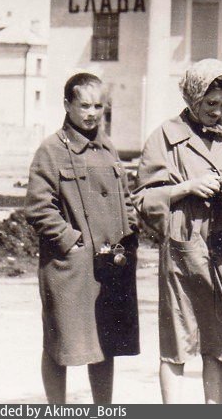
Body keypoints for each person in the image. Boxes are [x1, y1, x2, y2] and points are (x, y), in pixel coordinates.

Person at [133, 59, 222, 404]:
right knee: (176, 341)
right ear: (193, 97)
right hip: (184, 249)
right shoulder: (165, 136)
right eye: (210, 103)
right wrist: (187, 188)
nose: (217, 111)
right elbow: (143, 199)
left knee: (218, 341)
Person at [24, 73, 140, 404]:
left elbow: (126, 197)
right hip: (70, 267)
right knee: (59, 344)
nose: (91, 113)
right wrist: (71, 241)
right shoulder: (51, 150)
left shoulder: (108, 147)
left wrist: (129, 231)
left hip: (110, 264)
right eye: (84, 105)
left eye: (98, 106)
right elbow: (38, 207)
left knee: (105, 344)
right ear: (67, 105)